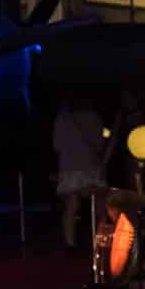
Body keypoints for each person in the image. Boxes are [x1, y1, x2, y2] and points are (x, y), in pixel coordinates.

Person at [51, 90, 109, 252]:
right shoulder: (94, 117)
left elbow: (56, 146)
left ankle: (70, 243)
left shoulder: (62, 119)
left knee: (71, 205)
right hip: (91, 167)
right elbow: (99, 143)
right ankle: (101, 242)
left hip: (69, 167)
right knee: (99, 207)